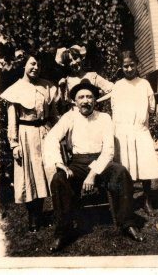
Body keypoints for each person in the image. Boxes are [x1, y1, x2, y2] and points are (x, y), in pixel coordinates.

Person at [44, 79, 144, 252]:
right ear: (75, 101)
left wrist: (93, 174)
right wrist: (60, 163)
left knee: (120, 172)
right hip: (77, 164)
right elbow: (51, 138)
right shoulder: (69, 117)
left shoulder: (104, 118)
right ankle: (62, 231)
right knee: (59, 179)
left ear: (95, 100)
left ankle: (127, 224)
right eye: (81, 97)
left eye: (89, 97)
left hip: (102, 163)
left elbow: (109, 151)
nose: (85, 101)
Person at [0, 51, 59, 232]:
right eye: (32, 64)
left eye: (38, 65)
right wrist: (14, 144)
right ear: (24, 66)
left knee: (45, 173)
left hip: (45, 133)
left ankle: (46, 213)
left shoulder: (47, 87)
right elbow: (12, 121)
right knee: (29, 175)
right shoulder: (15, 90)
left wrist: (58, 135)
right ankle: (34, 217)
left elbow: (54, 114)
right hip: (26, 135)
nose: (36, 68)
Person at [111, 50, 158, 216]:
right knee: (127, 167)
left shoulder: (144, 84)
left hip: (140, 130)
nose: (129, 68)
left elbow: (152, 107)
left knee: (146, 165)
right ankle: (128, 201)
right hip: (123, 131)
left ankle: (147, 200)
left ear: (137, 64)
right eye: (125, 66)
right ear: (121, 67)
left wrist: (142, 119)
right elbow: (114, 109)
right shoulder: (117, 86)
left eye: (132, 65)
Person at [55, 45, 114, 111]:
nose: (74, 62)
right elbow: (63, 103)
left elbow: (114, 90)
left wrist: (96, 101)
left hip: (91, 114)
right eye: (69, 61)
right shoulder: (66, 81)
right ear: (66, 65)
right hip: (74, 116)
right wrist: (62, 89)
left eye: (75, 58)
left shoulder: (92, 76)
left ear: (81, 57)